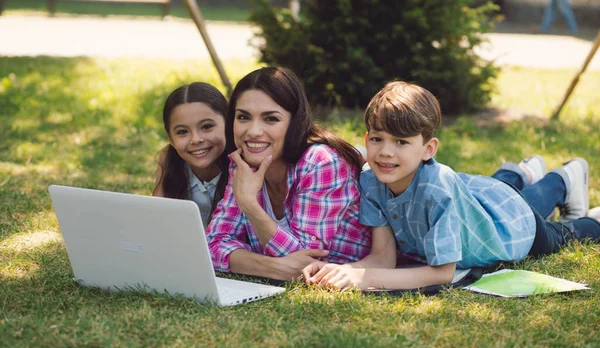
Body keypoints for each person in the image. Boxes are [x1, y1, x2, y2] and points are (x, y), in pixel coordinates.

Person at [303, 81, 600, 291]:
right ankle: (545, 175)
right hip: (482, 202)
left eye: (401, 142)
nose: (385, 152)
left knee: (561, 233)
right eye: (377, 139)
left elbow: (443, 273)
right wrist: (342, 271)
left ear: (428, 149)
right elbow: (383, 258)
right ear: (366, 140)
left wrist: (364, 279)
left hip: (510, 229)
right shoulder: (371, 181)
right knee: (521, 198)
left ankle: (568, 183)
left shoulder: (437, 189)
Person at [206, 66, 372, 281]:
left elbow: (305, 261)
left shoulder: (320, 162)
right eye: (243, 117)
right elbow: (214, 244)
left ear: (294, 122)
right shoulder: (243, 163)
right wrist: (273, 268)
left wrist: (249, 206)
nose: (253, 131)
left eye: (270, 119)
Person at [153, 82, 229, 228]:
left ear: (228, 124)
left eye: (206, 127)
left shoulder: (241, 164)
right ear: (170, 139)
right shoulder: (168, 160)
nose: (196, 139)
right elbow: (158, 218)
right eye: (182, 132)